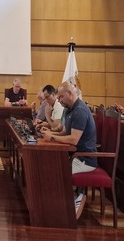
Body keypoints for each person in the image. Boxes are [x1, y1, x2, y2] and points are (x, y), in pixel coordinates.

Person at [41, 81, 97, 218]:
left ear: (70, 94)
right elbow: (65, 132)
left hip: (84, 159)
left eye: (61, 97)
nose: (59, 100)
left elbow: (73, 139)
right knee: (49, 166)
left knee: (57, 173)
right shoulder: (69, 109)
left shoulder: (80, 111)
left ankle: (72, 203)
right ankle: (56, 206)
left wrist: (52, 138)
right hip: (74, 155)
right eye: (58, 97)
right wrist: (49, 133)